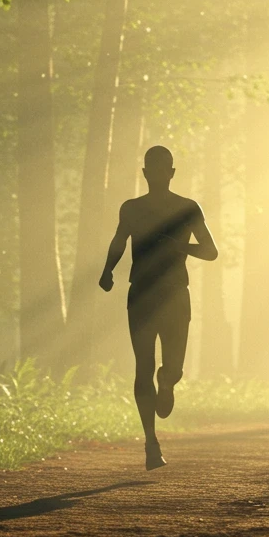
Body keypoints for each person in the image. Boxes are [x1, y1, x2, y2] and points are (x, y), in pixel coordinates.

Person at [99, 145, 218, 470]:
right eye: (153, 169)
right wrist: (107, 269)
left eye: (163, 169)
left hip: (177, 294)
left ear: (172, 173)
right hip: (142, 295)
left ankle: (168, 382)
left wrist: (179, 246)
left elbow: (211, 251)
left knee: (173, 366)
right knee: (143, 367)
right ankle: (151, 443)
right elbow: (119, 240)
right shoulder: (132, 208)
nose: (158, 174)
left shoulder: (188, 208)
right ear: (145, 174)